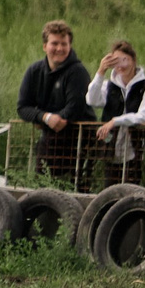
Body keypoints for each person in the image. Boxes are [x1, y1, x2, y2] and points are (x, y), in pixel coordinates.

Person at [16, 21, 89, 182]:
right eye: (54, 43)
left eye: (64, 44)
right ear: (44, 46)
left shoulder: (78, 72)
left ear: (70, 46)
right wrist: (45, 118)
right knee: (43, 184)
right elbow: (22, 107)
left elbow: (74, 107)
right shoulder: (34, 71)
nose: (59, 48)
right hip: (49, 140)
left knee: (75, 187)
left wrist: (57, 119)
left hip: (79, 141)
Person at [83, 38, 145, 185]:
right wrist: (100, 72)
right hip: (110, 151)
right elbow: (92, 100)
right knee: (109, 191)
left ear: (133, 60)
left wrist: (115, 121)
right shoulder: (108, 86)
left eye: (125, 60)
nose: (121, 66)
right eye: (116, 61)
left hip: (137, 152)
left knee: (135, 193)